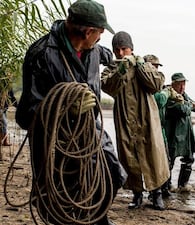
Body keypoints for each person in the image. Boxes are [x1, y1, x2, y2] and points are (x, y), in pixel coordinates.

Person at [16, 1, 126, 224]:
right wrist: (67, 107)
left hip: (91, 132)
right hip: (56, 144)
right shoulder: (42, 54)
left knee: (112, 174)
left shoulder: (94, 50)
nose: (101, 37)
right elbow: (25, 116)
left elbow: (108, 55)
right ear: (87, 32)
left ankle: (98, 217)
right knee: (61, 199)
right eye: (100, 32)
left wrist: (125, 61)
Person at [101, 33, 170, 210]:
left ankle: (156, 194)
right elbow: (108, 86)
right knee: (129, 156)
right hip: (124, 118)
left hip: (146, 117)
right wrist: (121, 71)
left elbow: (156, 84)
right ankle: (137, 194)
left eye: (124, 49)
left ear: (131, 48)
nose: (121, 53)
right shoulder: (111, 68)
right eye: (117, 50)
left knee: (152, 155)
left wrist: (140, 65)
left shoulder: (144, 64)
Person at [144, 54, 183, 198]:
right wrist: (167, 92)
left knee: (165, 161)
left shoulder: (158, 86)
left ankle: (164, 189)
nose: (155, 70)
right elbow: (159, 101)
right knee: (153, 162)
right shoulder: (146, 85)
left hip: (160, 130)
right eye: (153, 67)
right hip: (149, 130)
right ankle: (154, 193)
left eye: (156, 67)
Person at [164, 73, 195, 191]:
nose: (182, 87)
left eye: (184, 84)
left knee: (189, 159)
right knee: (169, 160)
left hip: (186, 135)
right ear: (173, 84)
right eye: (179, 84)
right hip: (173, 133)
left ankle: (182, 185)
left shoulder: (183, 96)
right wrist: (190, 106)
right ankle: (166, 186)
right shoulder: (169, 94)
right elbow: (181, 109)